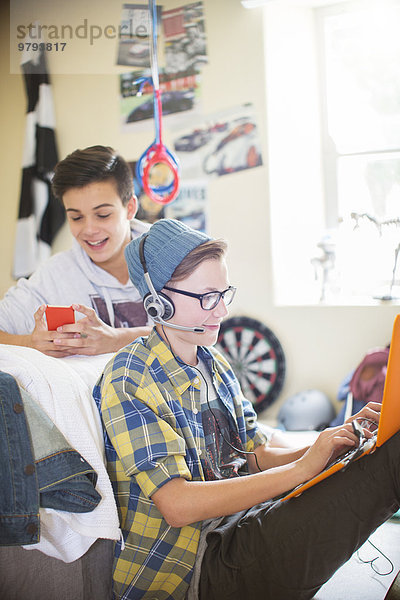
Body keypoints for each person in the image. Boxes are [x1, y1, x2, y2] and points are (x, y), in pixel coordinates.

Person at [94, 218, 399, 600]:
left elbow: (253, 455)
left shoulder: (214, 363)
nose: (221, 310)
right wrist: (301, 469)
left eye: (224, 293)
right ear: (158, 302)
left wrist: (326, 444)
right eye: (207, 297)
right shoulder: (129, 377)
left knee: (381, 450)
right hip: (198, 568)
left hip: (249, 522)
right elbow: (177, 505)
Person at [0, 145, 151, 357]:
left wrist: (116, 339)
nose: (89, 230)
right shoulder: (55, 274)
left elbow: (202, 332)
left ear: (130, 208)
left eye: (103, 214)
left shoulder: (175, 256)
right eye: (76, 218)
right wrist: (29, 342)